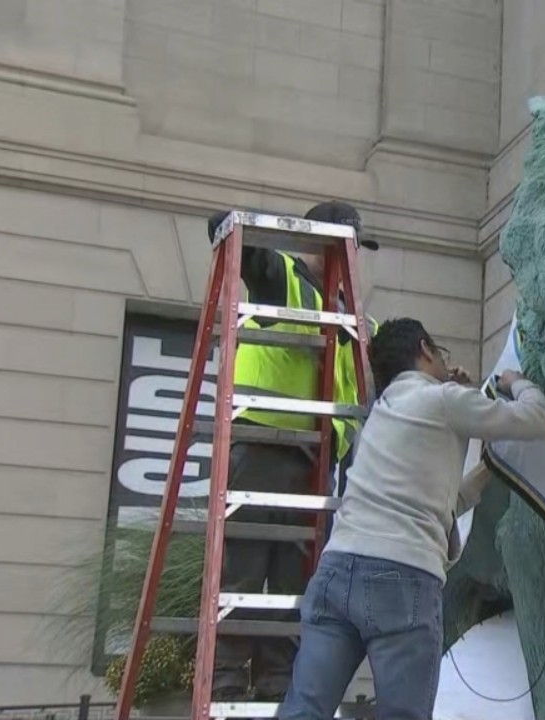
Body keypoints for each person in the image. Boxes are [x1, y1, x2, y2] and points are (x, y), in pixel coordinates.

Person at [278, 317, 545, 720]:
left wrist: (486, 469)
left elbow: (435, 504)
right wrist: (517, 382)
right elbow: (539, 419)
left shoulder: (384, 411)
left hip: (337, 571)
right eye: (440, 353)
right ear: (426, 350)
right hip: (401, 578)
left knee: (304, 708)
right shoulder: (444, 401)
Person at [206, 200, 376, 702]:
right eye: (346, 247)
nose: (353, 260)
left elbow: (389, 358)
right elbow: (247, 247)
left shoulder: (353, 315)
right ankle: (230, 680)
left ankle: (279, 683)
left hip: (315, 463)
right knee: (243, 571)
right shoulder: (287, 277)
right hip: (265, 444)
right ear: (321, 245)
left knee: (293, 582)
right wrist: (232, 224)